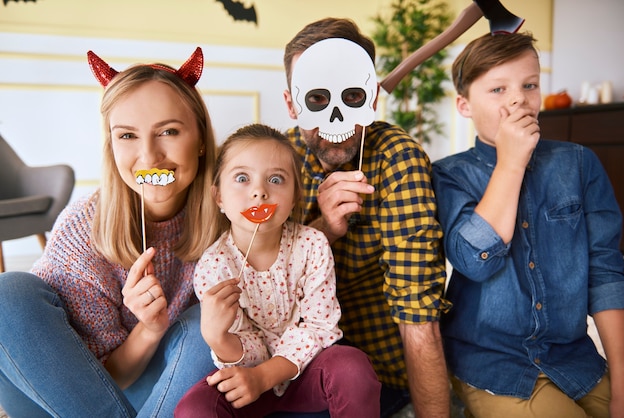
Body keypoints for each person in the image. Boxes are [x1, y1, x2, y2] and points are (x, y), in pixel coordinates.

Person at [0, 47, 221, 417]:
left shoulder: (229, 214)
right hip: (66, 396)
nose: (149, 157)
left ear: (200, 139)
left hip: (168, 390)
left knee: (206, 324)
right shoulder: (81, 232)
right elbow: (98, 380)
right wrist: (148, 330)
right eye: (128, 136)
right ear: (111, 145)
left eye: (168, 131)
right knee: (7, 294)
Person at [432, 32, 624, 418]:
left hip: (574, 358)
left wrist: (621, 381)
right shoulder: (449, 175)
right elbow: (475, 260)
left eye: (530, 85)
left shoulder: (579, 163)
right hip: (491, 364)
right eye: (498, 89)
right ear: (464, 105)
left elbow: (605, 273)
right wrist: (511, 162)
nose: (519, 98)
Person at [282, 18, 451, 418]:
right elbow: (257, 280)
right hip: (287, 368)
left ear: (371, 96)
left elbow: (418, 315)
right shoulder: (278, 159)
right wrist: (322, 232)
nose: (335, 121)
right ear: (292, 103)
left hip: (373, 373)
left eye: (351, 94)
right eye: (317, 100)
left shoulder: (396, 159)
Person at [175, 123, 381, 417]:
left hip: (308, 373)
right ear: (219, 197)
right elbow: (250, 351)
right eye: (242, 178)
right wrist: (218, 339)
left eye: (275, 179)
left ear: (295, 196)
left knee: (352, 367)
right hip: (246, 380)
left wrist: (266, 376)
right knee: (195, 407)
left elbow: (319, 328)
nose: (259, 192)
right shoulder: (214, 266)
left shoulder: (312, 245)